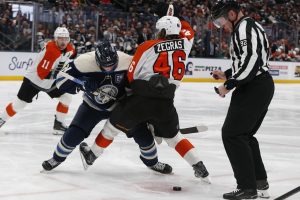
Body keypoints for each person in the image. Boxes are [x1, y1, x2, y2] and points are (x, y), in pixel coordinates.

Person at [79, 8, 210, 182]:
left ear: (162, 31)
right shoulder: (186, 43)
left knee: (111, 128)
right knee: (174, 138)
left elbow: (132, 75)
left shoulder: (147, 46)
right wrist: (175, 18)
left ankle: (91, 156)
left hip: (141, 99)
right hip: (166, 102)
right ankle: (198, 166)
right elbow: (188, 30)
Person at [42, 40, 172, 174]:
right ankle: (56, 158)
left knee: (144, 136)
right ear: (97, 61)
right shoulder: (83, 62)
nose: (109, 68)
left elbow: (139, 84)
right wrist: (82, 83)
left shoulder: (127, 60)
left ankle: (153, 162)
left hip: (122, 107)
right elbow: (60, 81)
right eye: (105, 66)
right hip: (93, 106)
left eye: (112, 65)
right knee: (75, 133)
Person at [210, 1, 274, 199]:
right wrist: (227, 74)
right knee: (243, 135)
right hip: (258, 85)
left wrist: (228, 85)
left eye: (221, 22)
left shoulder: (245, 27)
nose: (221, 27)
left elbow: (252, 62)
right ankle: (258, 182)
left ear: (231, 14)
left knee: (232, 134)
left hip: (254, 87)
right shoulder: (245, 28)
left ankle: (247, 188)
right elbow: (246, 61)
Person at [0, 27, 76, 135]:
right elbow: (42, 74)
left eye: (65, 39)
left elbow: (69, 59)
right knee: (19, 104)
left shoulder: (69, 49)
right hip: (33, 80)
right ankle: (1, 119)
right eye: (60, 39)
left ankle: (58, 125)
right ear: (56, 39)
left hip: (49, 82)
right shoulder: (51, 51)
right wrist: (63, 76)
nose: (63, 41)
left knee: (66, 97)